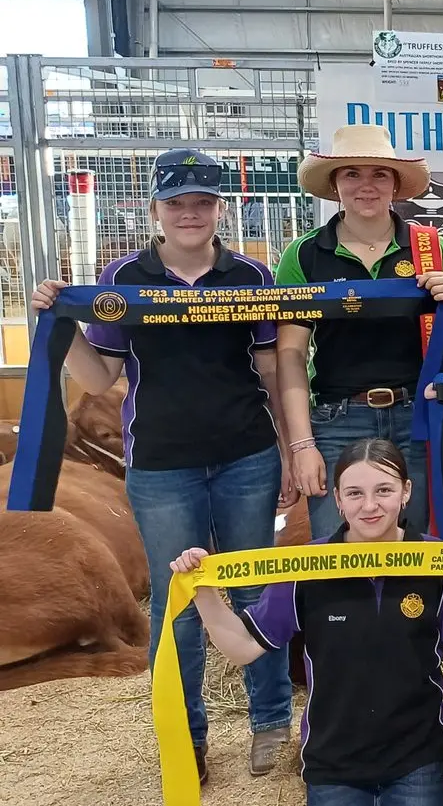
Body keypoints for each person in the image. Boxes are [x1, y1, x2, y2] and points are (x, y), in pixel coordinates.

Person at [30, 148, 294, 783]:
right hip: (160, 464)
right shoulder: (124, 276)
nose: (190, 214)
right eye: (176, 203)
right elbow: (102, 375)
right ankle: (186, 735)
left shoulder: (252, 278)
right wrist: (59, 327)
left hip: (246, 456)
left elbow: (269, 369)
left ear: (220, 209)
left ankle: (270, 721)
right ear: (154, 210)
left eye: (202, 202)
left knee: (254, 588)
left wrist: (289, 450)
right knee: (176, 599)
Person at [169, 438, 443, 806]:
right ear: (338, 499)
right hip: (333, 762)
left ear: (406, 492)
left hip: (418, 759)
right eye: (355, 493)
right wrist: (203, 593)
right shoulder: (306, 569)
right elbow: (244, 647)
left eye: (384, 490)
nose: (370, 505)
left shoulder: (439, 565)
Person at [276, 124, 443, 539]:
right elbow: (290, 354)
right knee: (334, 549)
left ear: (396, 184)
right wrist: (302, 445)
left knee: (422, 545)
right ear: (334, 184)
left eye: (379, 174)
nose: (367, 186)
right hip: (335, 419)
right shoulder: (304, 255)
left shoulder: (432, 248)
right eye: (352, 174)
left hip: (417, 414)